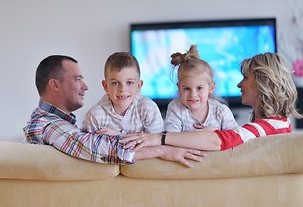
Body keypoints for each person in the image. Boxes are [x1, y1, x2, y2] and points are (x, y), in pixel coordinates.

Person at [23, 55, 206, 167]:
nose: (85, 86)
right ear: (55, 85)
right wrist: (162, 151)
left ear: (139, 85)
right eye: (78, 79)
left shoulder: (52, 121)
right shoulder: (48, 125)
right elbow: (95, 148)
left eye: (129, 83)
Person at [121, 52, 303, 151]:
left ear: (263, 83)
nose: (239, 84)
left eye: (245, 77)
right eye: (186, 88)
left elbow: (220, 141)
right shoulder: (276, 124)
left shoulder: (270, 126)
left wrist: (159, 138)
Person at [82, 52, 163, 135]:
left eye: (129, 82)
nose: (122, 89)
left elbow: (157, 144)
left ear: (139, 86)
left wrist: (119, 135)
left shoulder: (148, 108)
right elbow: (86, 146)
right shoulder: (95, 116)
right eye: (115, 83)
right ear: (105, 86)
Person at [165, 45, 238, 132]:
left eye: (199, 88)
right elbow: (170, 139)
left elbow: (235, 138)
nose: (193, 95)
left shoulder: (221, 112)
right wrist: (200, 135)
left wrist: (215, 134)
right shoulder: (176, 108)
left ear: (211, 88)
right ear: (179, 87)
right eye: (187, 89)